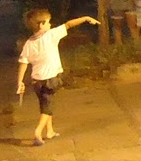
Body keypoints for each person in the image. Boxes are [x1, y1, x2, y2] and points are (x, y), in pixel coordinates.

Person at [15, 9, 99, 146]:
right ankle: (38, 131)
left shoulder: (29, 43)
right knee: (47, 107)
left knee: (45, 104)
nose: (50, 24)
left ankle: (50, 131)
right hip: (50, 79)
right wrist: (85, 18)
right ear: (41, 25)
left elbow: (23, 62)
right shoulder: (51, 35)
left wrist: (20, 81)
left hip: (36, 80)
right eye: (48, 22)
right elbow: (69, 24)